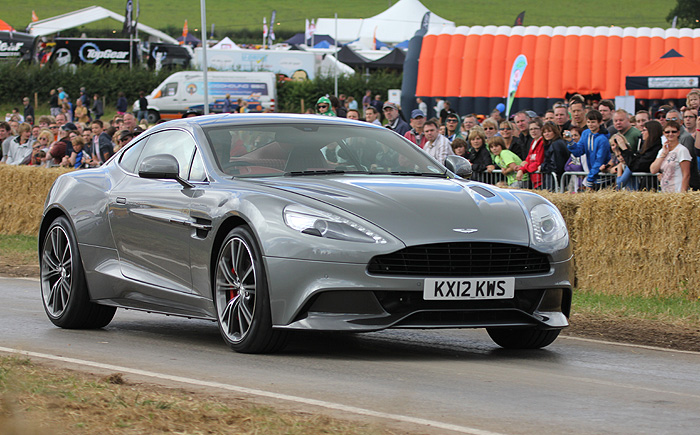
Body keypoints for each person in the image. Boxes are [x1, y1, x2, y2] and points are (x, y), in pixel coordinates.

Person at [567, 109, 611, 189]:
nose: (590, 124)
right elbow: (578, 152)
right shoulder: (586, 133)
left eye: (593, 122)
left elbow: (599, 160)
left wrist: (590, 179)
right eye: (588, 122)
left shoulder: (603, 139)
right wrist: (571, 142)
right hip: (592, 175)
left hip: (602, 177)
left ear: (600, 122)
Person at [650, 120, 691, 192]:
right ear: (664, 133)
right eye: (667, 132)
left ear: (678, 133)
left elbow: (686, 174)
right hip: (665, 192)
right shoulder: (662, 150)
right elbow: (653, 170)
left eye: (673, 131)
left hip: (677, 191)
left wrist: (683, 193)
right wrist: (663, 154)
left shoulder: (682, 150)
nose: (670, 134)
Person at [516, 118, 546, 189]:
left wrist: (524, 167)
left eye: (535, 128)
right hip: (534, 180)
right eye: (531, 129)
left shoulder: (542, 143)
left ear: (541, 129)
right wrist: (521, 169)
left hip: (542, 180)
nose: (533, 131)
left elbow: (538, 163)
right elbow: (528, 160)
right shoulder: (533, 142)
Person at [541, 122, 570, 191]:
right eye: (544, 132)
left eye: (549, 131)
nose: (546, 134)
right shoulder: (555, 143)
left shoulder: (556, 144)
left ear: (555, 132)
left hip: (556, 180)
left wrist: (542, 167)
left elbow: (556, 165)